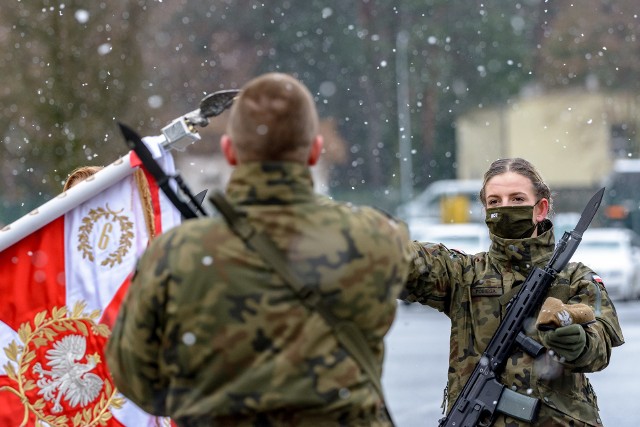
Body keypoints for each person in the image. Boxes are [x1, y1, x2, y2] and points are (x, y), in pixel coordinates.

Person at [106, 72, 413, 426]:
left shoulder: (174, 253)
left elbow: (136, 379)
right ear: (314, 150)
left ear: (229, 151)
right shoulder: (377, 238)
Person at [403, 157, 624, 426]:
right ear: (485, 210)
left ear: (540, 208)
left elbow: (601, 340)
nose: (505, 208)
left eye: (517, 199)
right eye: (495, 202)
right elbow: (406, 260)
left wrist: (579, 342)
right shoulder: (464, 273)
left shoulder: (576, 277)